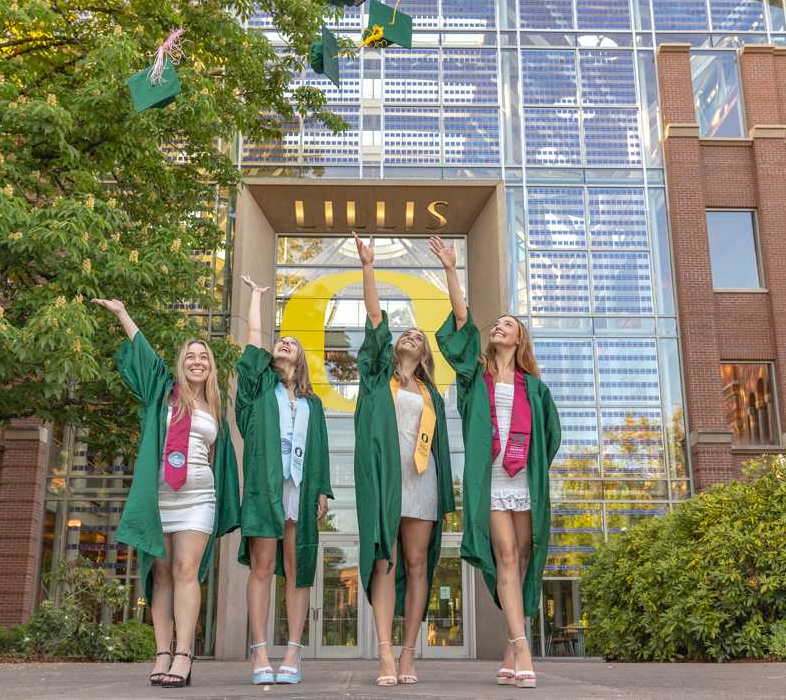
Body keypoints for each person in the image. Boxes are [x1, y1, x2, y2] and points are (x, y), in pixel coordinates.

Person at [429, 237, 562, 690]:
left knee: (525, 560)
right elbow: (462, 324)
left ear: (520, 337)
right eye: (497, 324)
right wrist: (451, 268)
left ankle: (510, 646)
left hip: (525, 478)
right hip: (491, 481)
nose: (499, 328)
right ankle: (523, 647)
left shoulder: (535, 389)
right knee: (504, 556)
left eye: (508, 324)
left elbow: (551, 436)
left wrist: (532, 462)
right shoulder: (474, 380)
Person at [94, 298, 240, 689]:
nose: (197, 361)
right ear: (181, 363)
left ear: (211, 366)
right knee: (161, 573)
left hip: (197, 499)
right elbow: (142, 353)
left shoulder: (215, 406)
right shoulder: (163, 391)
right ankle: (161, 651)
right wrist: (124, 313)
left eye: (203, 357)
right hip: (159, 497)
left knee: (186, 570)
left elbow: (215, 456)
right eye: (190, 356)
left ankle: (184, 655)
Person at [352, 234, 455, 688]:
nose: (411, 335)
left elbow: (437, 448)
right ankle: (385, 655)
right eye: (406, 334)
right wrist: (369, 267)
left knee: (417, 565)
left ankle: (411, 653)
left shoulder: (431, 393)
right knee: (384, 563)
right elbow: (376, 320)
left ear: (427, 354)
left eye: (419, 335)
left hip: (422, 480)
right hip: (385, 481)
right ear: (395, 349)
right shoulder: (379, 378)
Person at [236, 275, 333, 686]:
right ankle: (259, 649)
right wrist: (257, 299)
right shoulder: (258, 391)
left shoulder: (314, 404)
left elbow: (322, 449)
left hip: (301, 489)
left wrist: (324, 489)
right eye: (281, 341)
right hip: (265, 486)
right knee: (263, 566)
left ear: (302, 358)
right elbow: (252, 347)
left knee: (297, 568)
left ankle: (294, 648)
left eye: (292, 341)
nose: (284, 342)